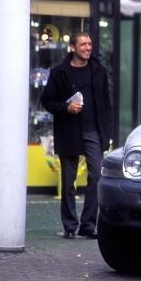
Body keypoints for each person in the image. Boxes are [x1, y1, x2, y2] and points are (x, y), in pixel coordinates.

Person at [41, 31, 113, 239]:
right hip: (68, 131)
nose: (88, 48)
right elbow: (47, 101)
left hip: (93, 130)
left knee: (96, 174)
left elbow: (106, 103)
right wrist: (66, 107)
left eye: (89, 44)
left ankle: (88, 225)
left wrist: (106, 133)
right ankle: (70, 226)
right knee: (68, 181)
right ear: (73, 47)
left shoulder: (98, 70)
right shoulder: (59, 72)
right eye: (83, 45)